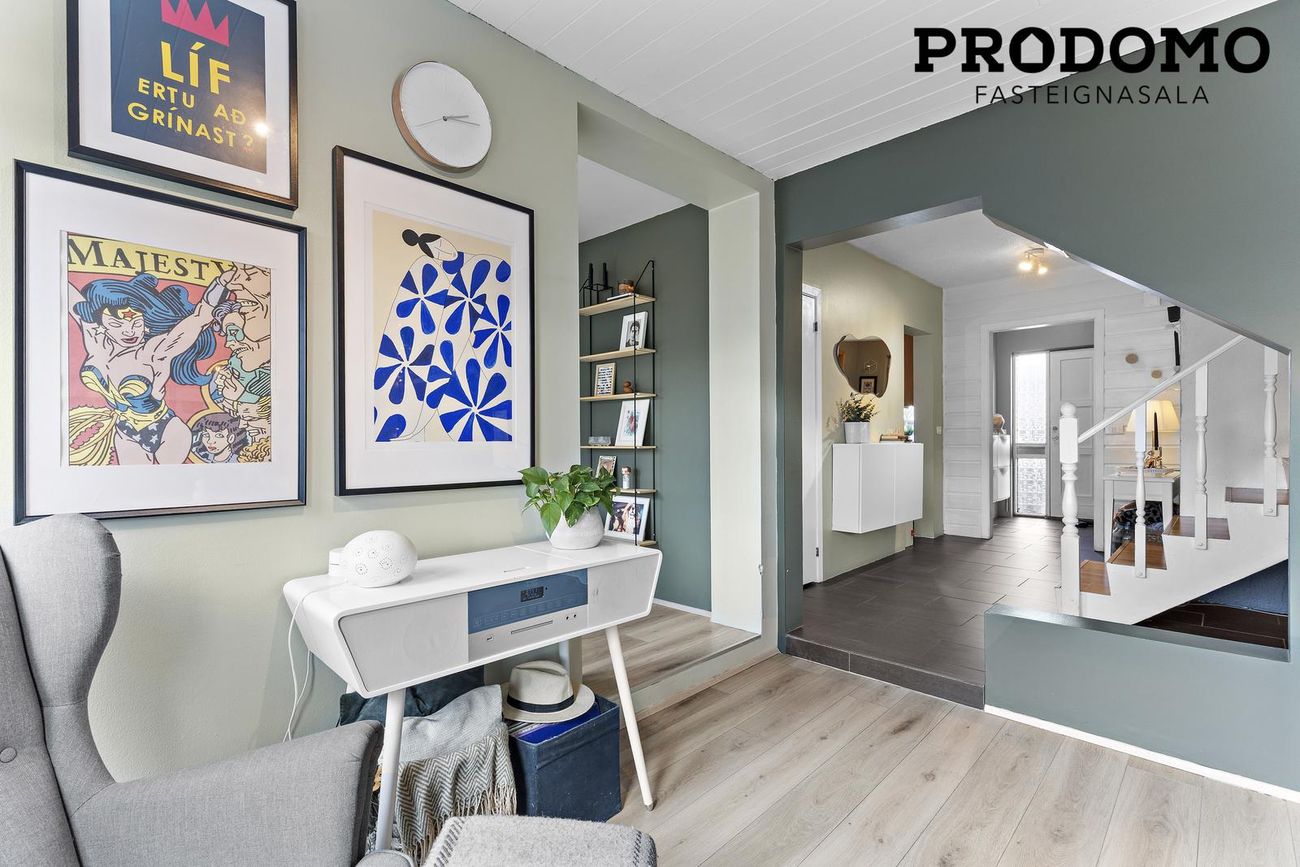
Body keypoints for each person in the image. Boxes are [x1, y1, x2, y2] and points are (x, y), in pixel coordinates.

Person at [68, 272, 226, 465]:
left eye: (136, 323)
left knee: (170, 481)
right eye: (116, 324)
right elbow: (68, 294)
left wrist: (221, 283)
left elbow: (200, 317)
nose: (129, 331)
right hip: (126, 432)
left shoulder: (155, 351)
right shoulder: (95, 340)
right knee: (134, 482)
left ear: (145, 324)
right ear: (102, 324)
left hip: (167, 430)